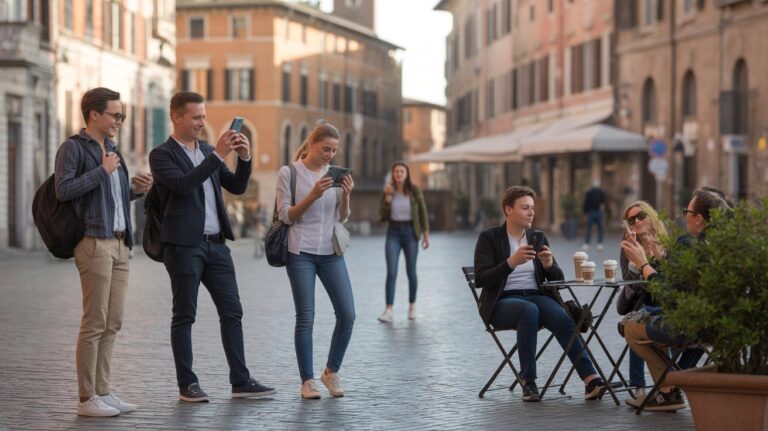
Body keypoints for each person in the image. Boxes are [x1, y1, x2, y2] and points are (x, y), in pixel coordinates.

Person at [149, 92, 275, 402]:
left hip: (217, 247)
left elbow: (237, 186)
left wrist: (244, 158)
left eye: (203, 117)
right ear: (177, 117)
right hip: (183, 246)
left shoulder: (206, 149)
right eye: (196, 117)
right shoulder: (161, 155)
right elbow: (183, 185)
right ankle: (187, 385)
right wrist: (217, 156)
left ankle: (241, 381)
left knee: (232, 312)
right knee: (185, 315)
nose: (202, 123)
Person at [55, 87, 153, 416]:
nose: (119, 122)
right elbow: (64, 189)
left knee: (113, 321)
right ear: (94, 114)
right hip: (93, 242)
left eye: (122, 116)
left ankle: (103, 391)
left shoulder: (112, 149)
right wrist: (103, 171)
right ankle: (86, 399)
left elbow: (112, 196)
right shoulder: (73, 147)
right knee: (94, 321)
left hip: (121, 242)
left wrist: (134, 191)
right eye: (115, 115)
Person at [474, 186, 608, 402]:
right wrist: (511, 262)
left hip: (535, 295)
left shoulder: (537, 237)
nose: (531, 212)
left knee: (561, 315)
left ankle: (590, 380)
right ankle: (529, 381)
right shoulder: (489, 238)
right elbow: (481, 278)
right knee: (529, 310)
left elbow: (557, 280)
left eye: (532, 208)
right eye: (525, 207)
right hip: (502, 302)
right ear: (508, 210)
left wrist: (548, 265)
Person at [621, 187, 730, 411]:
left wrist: (644, 265)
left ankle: (669, 389)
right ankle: (669, 388)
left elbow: (670, 296)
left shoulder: (686, 242)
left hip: (689, 326)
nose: (684, 216)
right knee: (646, 314)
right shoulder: (724, 245)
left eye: (686, 211)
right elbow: (686, 285)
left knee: (630, 326)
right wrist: (662, 257)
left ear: (698, 218)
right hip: (722, 328)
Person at [276, 121, 356, 399]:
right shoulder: (289, 173)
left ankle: (331, 371)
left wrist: (345, 194)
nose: (330, 155)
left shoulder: (333, 174)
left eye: (334, 150)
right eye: (325, 149)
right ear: (311, 145)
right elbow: (286, 215)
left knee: (348, 314)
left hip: (331, 252)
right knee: (306, 317)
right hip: (301, 252)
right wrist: (312, 195)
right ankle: (307, 381)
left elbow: (342, 217)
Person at [616, 201, 667, 404]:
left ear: (651, 217)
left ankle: (664, 384)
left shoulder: (665, 241)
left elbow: (668, 280)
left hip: (662, 299)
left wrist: (658, 257)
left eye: (641, 216)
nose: (636, 221)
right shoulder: (627, 246)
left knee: (639, 317)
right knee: (639, 313)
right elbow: (630, 281)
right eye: (631, 219)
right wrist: (636, 260)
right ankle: (639, 386)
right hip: (637, 299)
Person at [377, 162, 430, 322]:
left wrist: (426, 235)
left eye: (402, 171)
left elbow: (422, 213)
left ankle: (412, 307)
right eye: (396, 172)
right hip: (393, 232)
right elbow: (382, 216)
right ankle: (388, 310)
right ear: (393, 174)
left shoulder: (415, 191)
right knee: (391, 272)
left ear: (406, 174)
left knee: (411, 271)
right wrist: (387, 198)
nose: (399, 174)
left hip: (410, 232)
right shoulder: (388, 190)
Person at [583, 182, 607, 251]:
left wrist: (585, 211)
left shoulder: (589, 192)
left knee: (589, 228)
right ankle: (599, 244)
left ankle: (587, 243)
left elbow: (586, 202)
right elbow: (604, 202)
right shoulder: (601, 192)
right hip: (598, 212)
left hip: (591, 212)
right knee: (600, 228)